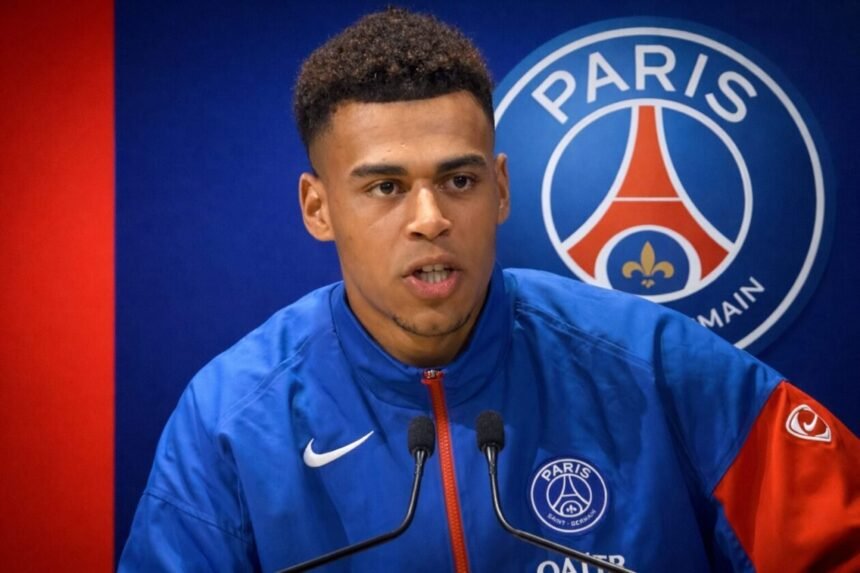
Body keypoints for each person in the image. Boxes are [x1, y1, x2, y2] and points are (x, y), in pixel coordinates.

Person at [119, 8, 859, 572]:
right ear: (318, 208)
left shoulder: (657, 363)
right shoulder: (230, 419)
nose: (431, 218)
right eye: (385, 187)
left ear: (500, 188)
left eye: (459, 180)